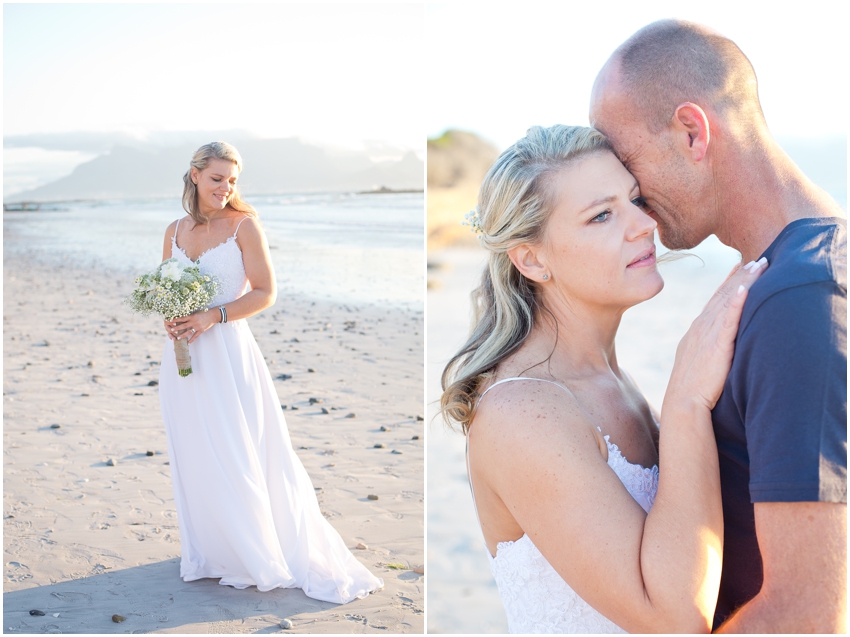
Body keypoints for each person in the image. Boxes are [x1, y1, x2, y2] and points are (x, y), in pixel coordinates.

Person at [441, 124, 767, 633]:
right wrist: (686, 400)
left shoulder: (612, 382)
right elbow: (675, 620)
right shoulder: (521, 414)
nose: (644, 224)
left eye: (635, 200)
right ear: (532, 259)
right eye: (601, 215)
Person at [590, 20, 846, 633]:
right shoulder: (786, 274)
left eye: (626, 164)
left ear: (692, 132)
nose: (629, 196)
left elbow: (808, 614)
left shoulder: (802, 298)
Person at [157, 141, 383, 603]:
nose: (225, 187)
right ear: (195, 175)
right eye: (217, 178)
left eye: (232, 180)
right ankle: (214, 550)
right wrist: (170, 315)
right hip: (183, 352)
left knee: (237, 449)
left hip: (227, 351)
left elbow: (265, 292)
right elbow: (164, 286)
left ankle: (253, 550)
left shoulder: (245, 225)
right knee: (195, 448)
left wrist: (212, 315)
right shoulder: (174, 230)